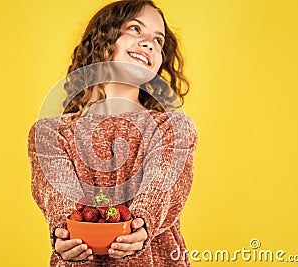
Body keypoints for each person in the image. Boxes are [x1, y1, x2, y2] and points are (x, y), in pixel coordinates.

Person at [28, 0, 198, 266]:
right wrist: (66, 232)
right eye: (135, 29)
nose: (149, 43)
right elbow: (57, 197)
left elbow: (164, 185)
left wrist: (142, 223)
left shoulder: (173, 128)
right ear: (103, 38)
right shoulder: (51, 134)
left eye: (158, 40)